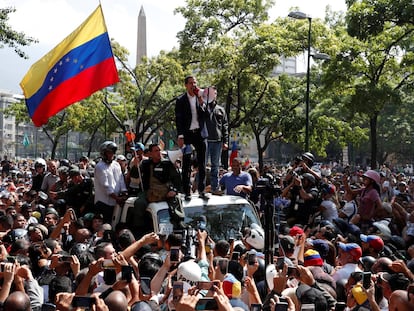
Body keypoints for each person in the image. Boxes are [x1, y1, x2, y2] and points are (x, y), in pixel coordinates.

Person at [129, 144, 182, 237]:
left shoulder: (167, 164)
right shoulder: (145, 164)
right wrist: (135, 166)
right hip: (148, 192)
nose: (159, 153)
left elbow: (177, 180)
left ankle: (178, 227)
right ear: (150, 153)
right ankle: (139, 231)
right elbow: (134, 176)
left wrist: (174, 191)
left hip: (165, 193)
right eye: (156, 151)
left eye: (159, 150)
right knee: (139, 203)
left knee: (176, 203)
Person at [175, 75, 209, 199]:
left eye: (195, 82)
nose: (193, 85)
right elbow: (179, 119)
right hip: (187, 135)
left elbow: (207, 116)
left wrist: (202, 103)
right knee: (187, 163)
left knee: (202, 163)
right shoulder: (181, 100)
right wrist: (180, 136)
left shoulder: (201, 98)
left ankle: (201, 190)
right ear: (186, 85)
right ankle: (186, 191)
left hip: (200, 134)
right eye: (190, 83)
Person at [94, 141, 128, 224]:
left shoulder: (116, 164)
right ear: (103, 153)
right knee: (105, 226)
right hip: (103, 203)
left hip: (116, 203)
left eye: (112, 152)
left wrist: (124, 192)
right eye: (109, 153)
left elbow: (121, 180)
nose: (111, 155)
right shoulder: (100, 166)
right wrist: (117, 198)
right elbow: (106, 186)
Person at [203, 86, 229, 194]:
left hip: (217, 141)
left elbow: (225, 126)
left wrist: (226, 141)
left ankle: (214, 188)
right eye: (210, 93)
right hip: (204, 141)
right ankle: (201, 187)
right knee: (202, 165)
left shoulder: (221, 110)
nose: (213, 95)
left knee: (215, 166)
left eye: (215, 93)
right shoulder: (202, 107)